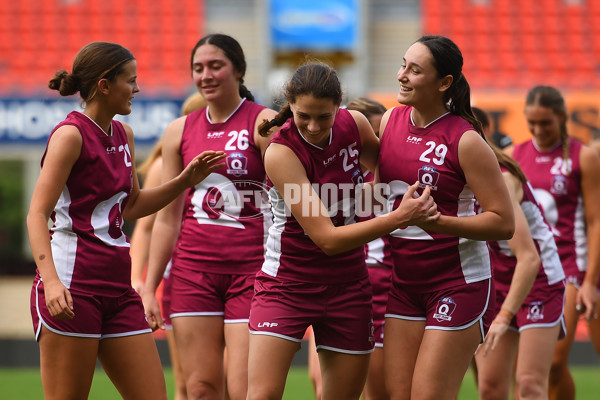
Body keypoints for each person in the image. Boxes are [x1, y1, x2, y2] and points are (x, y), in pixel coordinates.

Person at [27, 42, 225, 400]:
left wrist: (184, 181)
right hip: (74, 289)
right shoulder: (70, 135)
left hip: (119, 291)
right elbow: (37, 214)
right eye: (130, 81)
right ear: (104, 86)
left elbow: (131, 205)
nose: (137, 89)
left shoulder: (124, 135)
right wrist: (52, 283)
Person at [246, 62, 440, 400]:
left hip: (349, 285)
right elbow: (326, 240)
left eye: (324, 116)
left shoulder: (356, 124)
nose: (313, 125)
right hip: (286, 286)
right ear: (290, 105)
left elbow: (389, 173)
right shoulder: (281, 152)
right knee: (261, 395)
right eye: (304, 115)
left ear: (340, 105)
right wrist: (398, 217)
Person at [141, 34, 278, 400]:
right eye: (198, 68)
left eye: (215, 66)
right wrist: (149, 286)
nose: (206, 75)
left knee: (244, 387)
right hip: (191, 275)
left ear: (239, 69)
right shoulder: (178, 131)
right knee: (200, 388)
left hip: (252, 271)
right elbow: (167, 218)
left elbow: (289, 204)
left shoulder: (263, 122)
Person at [377, 35, 515, 400]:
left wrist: (439, 224)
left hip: (457, 283)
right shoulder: (390, 120)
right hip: (404, 284)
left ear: (444, 83)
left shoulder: (466, 140)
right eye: (403, 65)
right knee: (399, 394)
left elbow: (504, 222)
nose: (402, 75)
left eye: (415, 70)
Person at [511, 86, 600, 400]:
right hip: (527, 268)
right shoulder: (515, 156)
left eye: (545, 122)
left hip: (569, 267)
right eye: (531, 122)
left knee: (556, 360)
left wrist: (590, 281)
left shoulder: (583, 157)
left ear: (561, 117)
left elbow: (595, 220)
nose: (538, 130)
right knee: (525, 370)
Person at [306, 96, 392, 400]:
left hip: (388, 295)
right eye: (374, 135)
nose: (379, 145)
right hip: (341, 289)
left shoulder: (394, 181)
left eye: (384, 136)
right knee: (324, 387)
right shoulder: (335, 183)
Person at [130, 92, 208, 400]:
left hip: (229, 272)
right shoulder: (166, 162)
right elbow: (146, 227)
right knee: (188, 383)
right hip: (183, 277)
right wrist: (138, 278)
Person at [474, 144, 566, 400]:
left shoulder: (502, 179)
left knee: (529, 383)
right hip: (496, 282)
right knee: (489, 386)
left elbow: (529, 258)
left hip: (538, 282)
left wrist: (503, 316)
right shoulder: (454, 180)